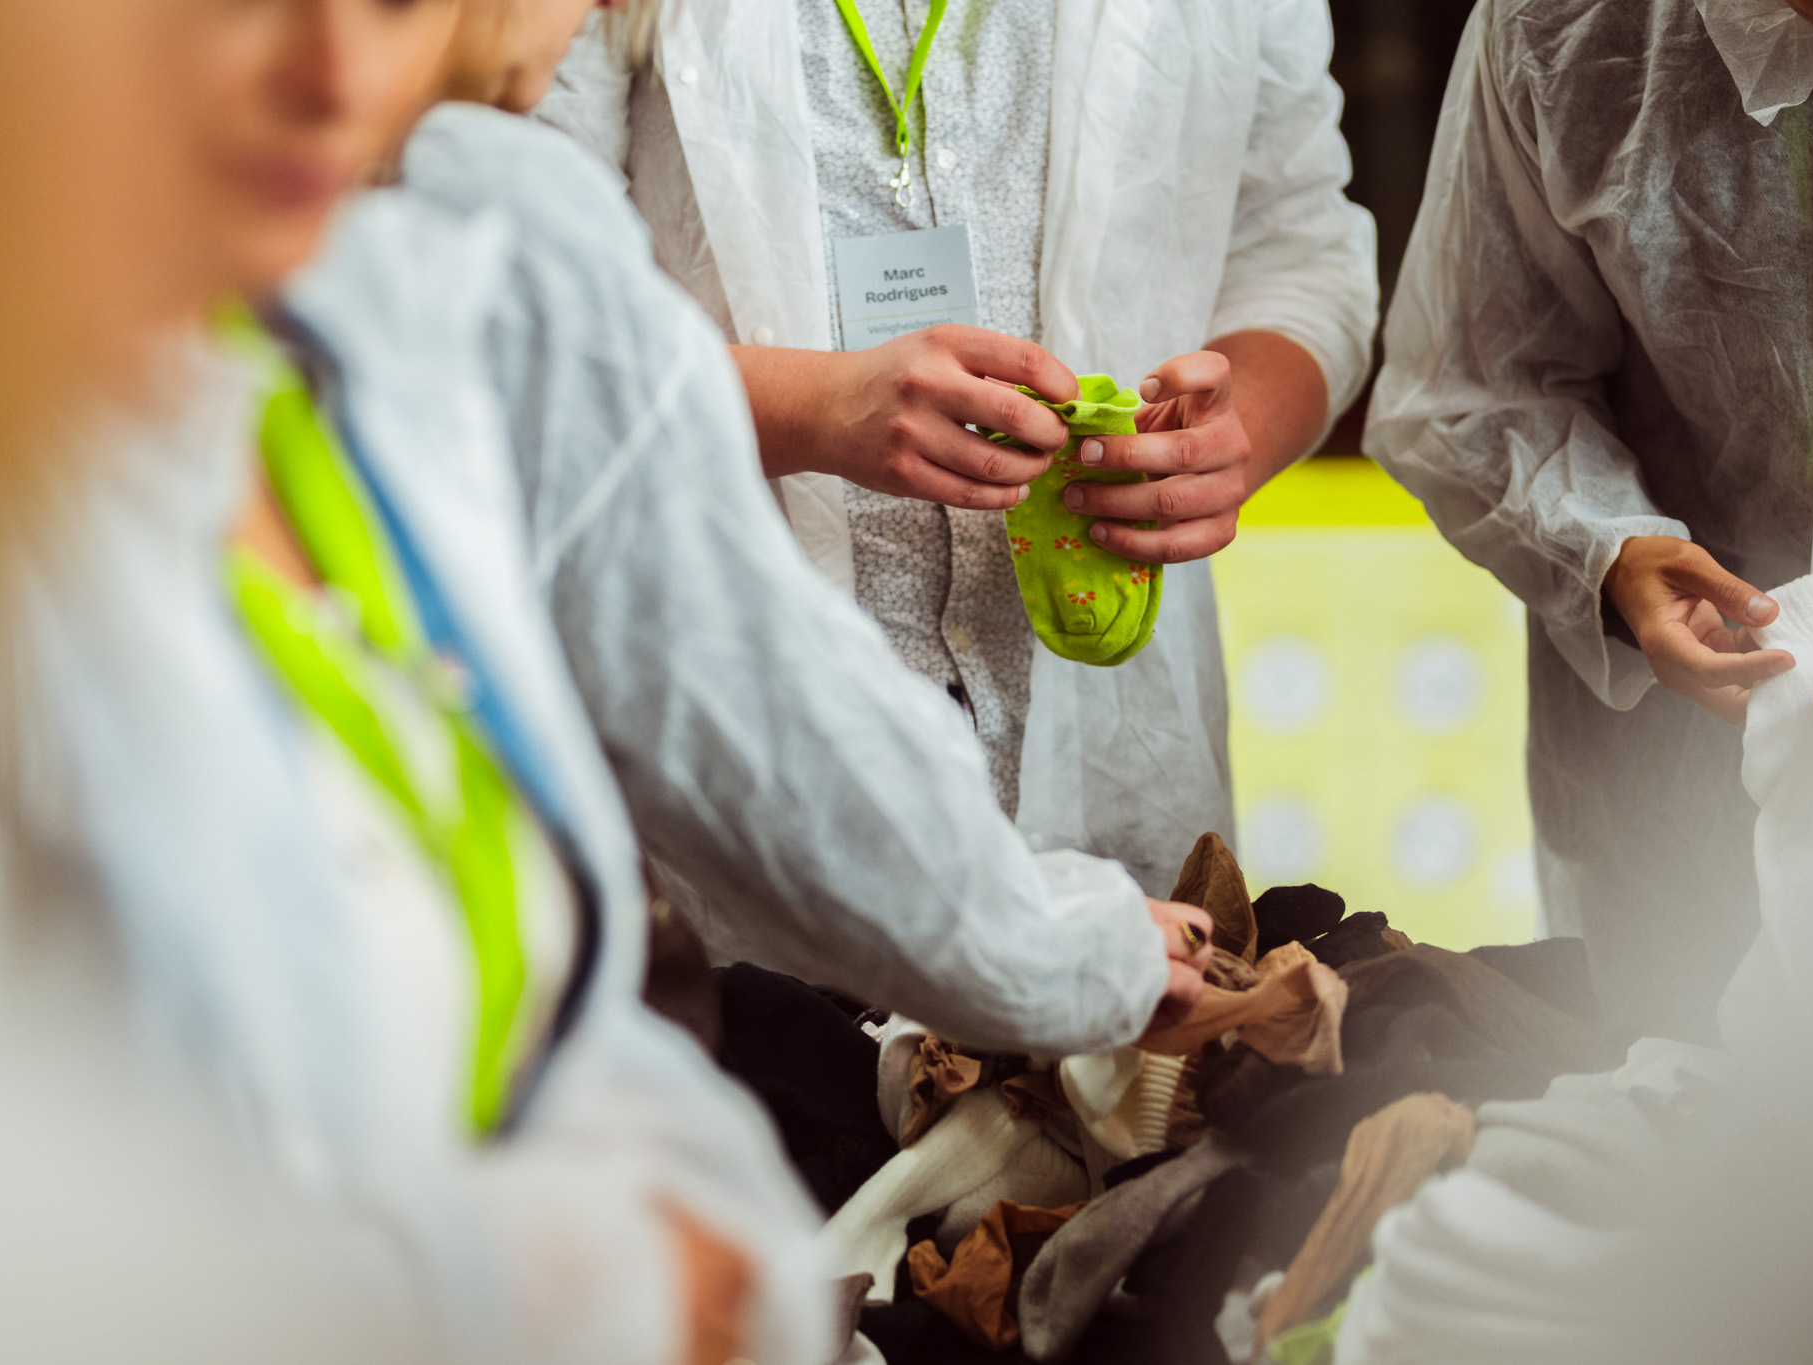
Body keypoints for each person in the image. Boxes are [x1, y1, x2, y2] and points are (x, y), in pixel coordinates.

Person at [0, 0, 833, 1358]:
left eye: (386, 2)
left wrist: (714, 1252)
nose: (338, 75)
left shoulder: (324, 408)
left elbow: (544, 1012)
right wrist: (538, 1284)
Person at [360, 0, 1211, 1059]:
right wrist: (1056, 949)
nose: (610, 10)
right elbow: (727, 695)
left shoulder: (406, 201)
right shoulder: (487, 209)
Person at [544, 0, 1380, 896]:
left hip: (1115, 760)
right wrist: (811, 410)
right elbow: (521, 302)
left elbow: (1300, 255)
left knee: (1130, 978)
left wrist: (1229, 440)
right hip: (739, 732)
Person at [1366, 0, 1813, 1039]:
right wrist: (1608, 552)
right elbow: (1474, 385)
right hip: (1671, 831)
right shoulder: (1565, 27)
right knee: (1659, 1110)